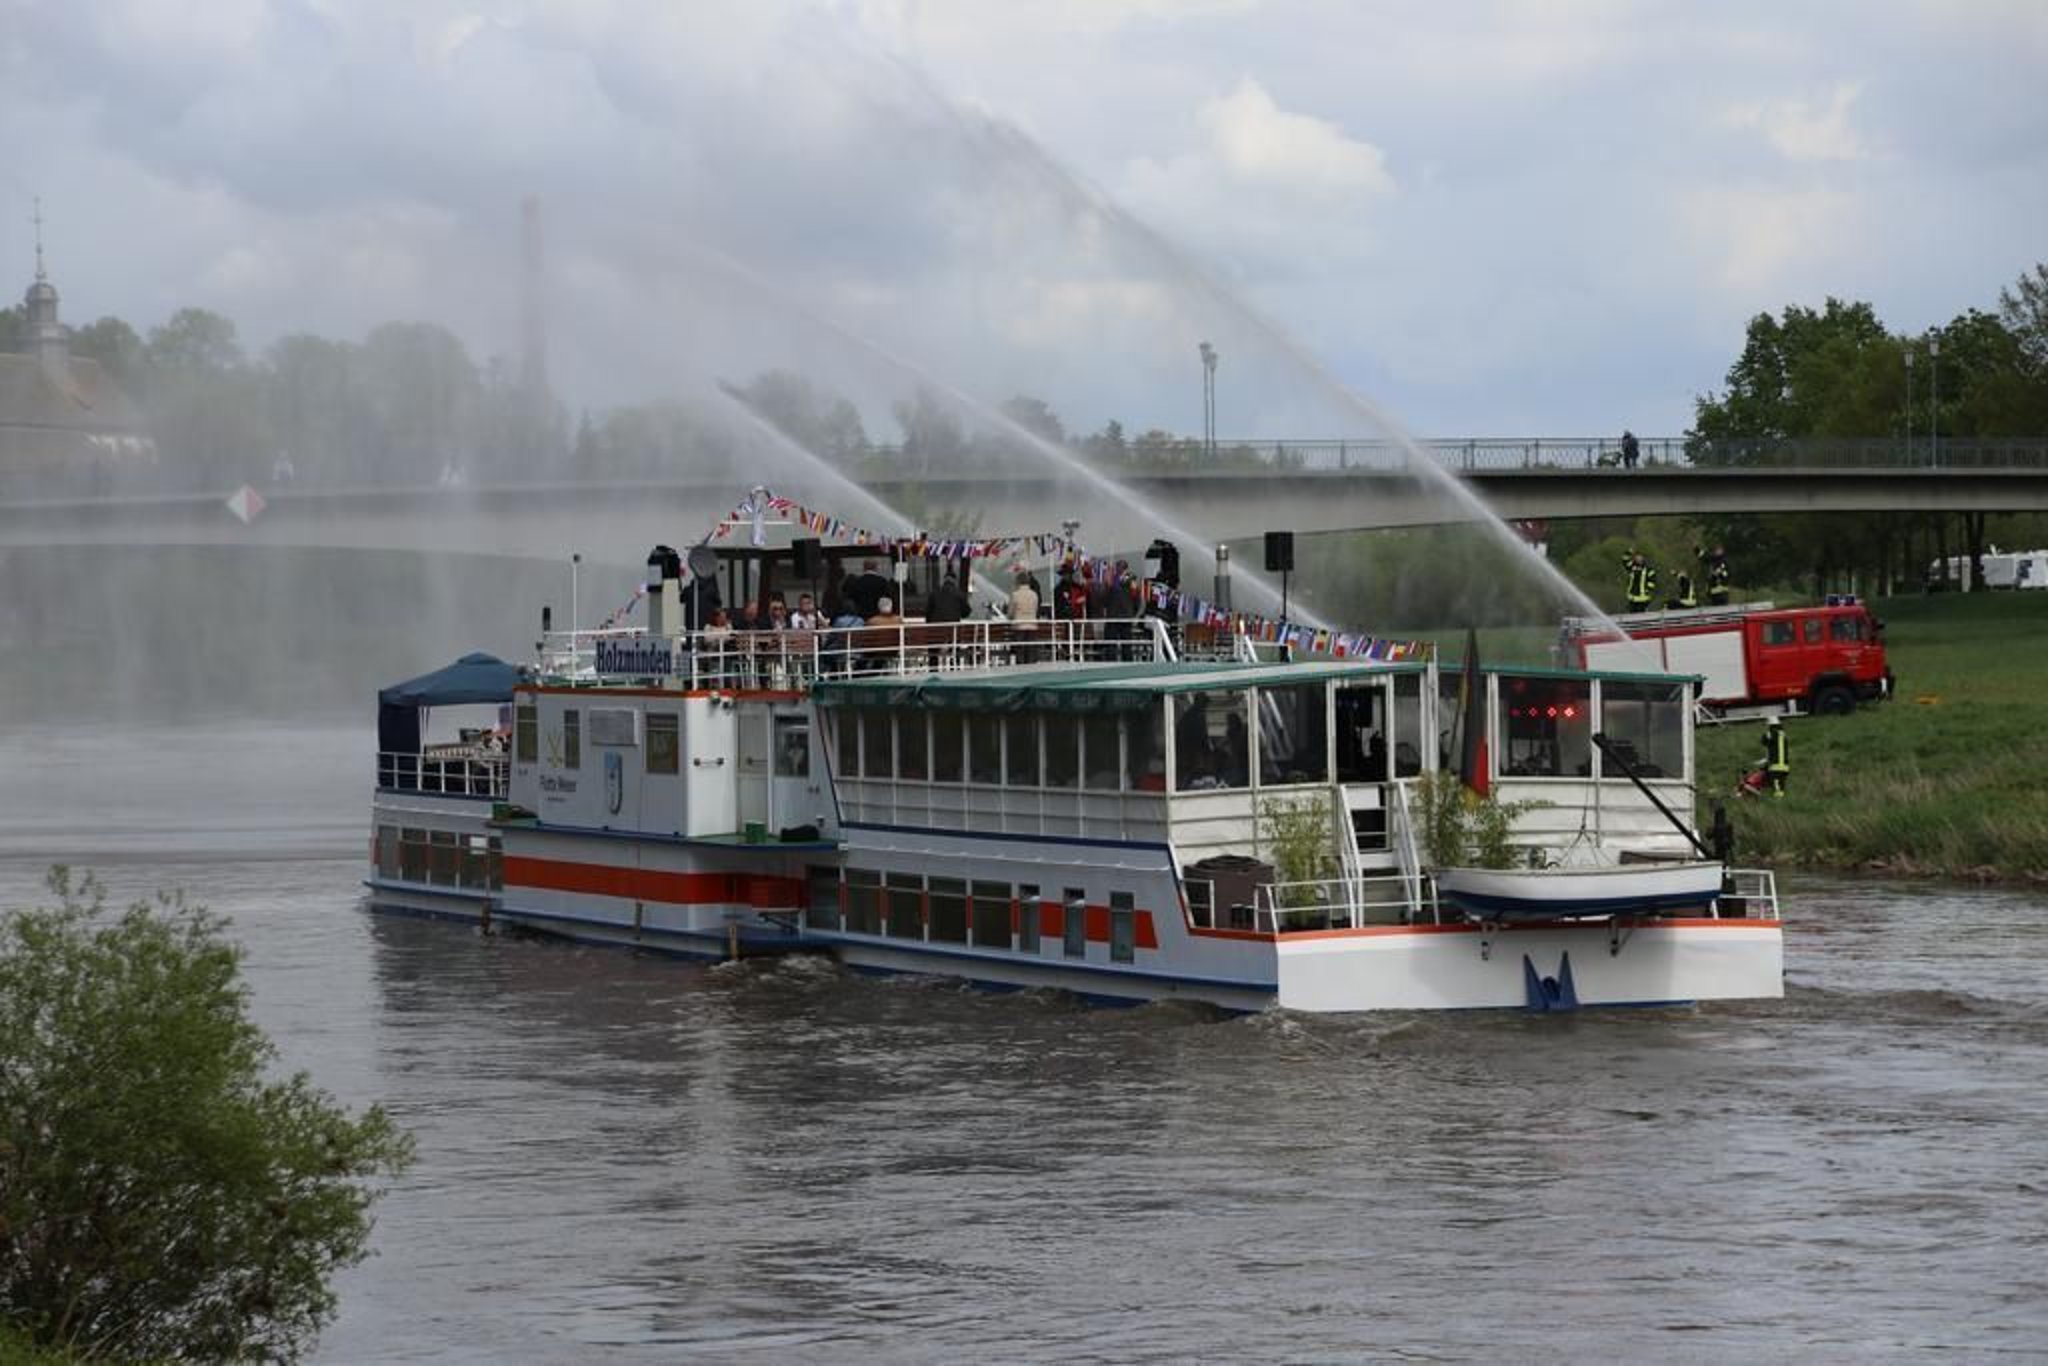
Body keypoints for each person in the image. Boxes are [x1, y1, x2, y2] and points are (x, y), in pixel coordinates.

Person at [1762, 717, 1790, 797]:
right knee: (1781, 784)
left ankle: (1779, 801)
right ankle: (1780, 798)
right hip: (1785, 766)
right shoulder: (1783, 734)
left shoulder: (1771, 733)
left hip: (1775, 765)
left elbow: (1763, 740)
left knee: (1777, 787)